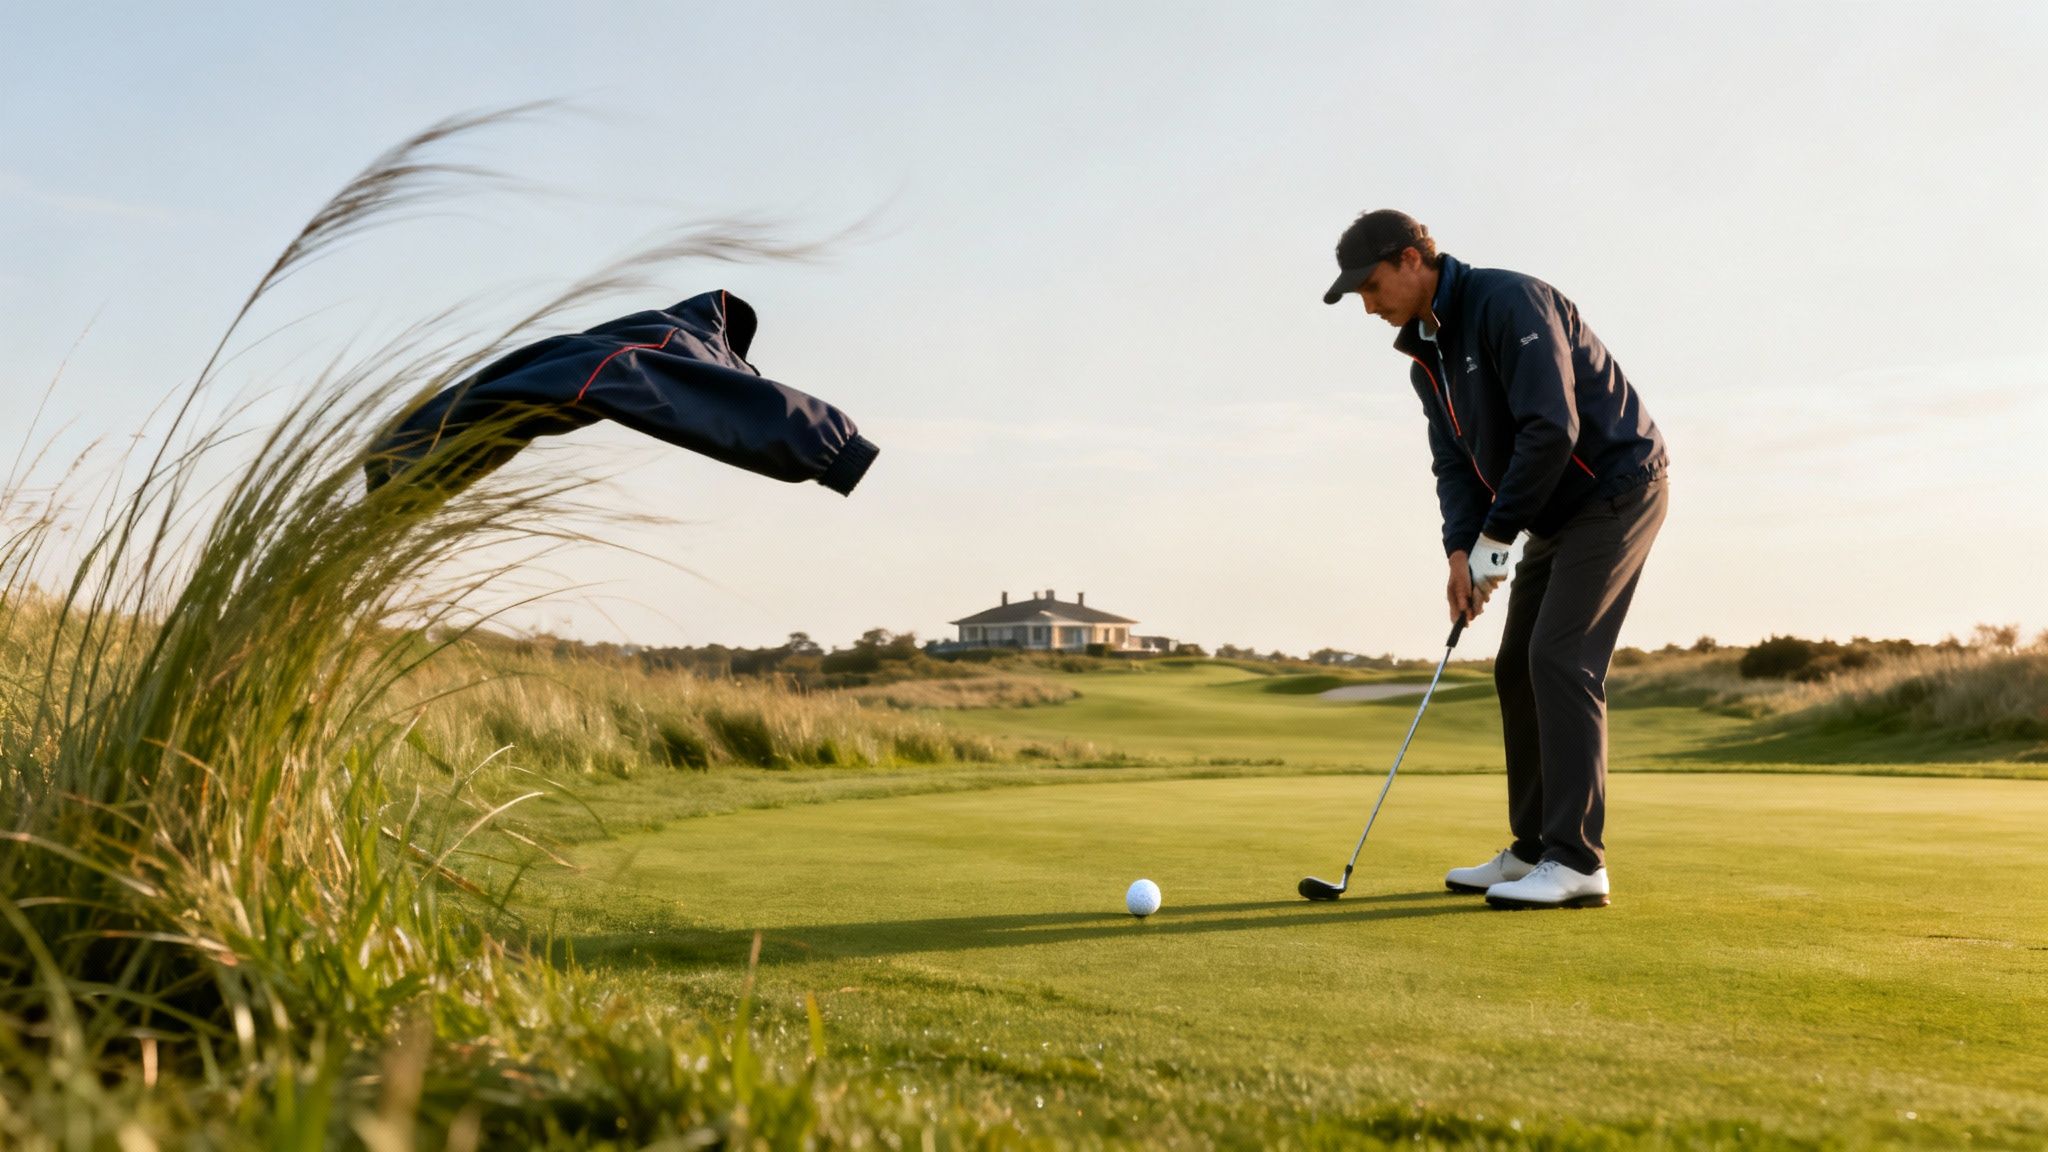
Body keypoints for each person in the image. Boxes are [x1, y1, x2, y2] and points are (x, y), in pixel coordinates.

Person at [1323, 210, 1668, 910]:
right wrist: (1461, 550)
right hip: (1553, 514)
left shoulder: (1509, 302)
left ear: (1414, 258)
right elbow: (1454, 464)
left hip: (1617, 489)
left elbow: (1553, 428)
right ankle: (1537, 847)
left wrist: (1499, 537)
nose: (1368, 303)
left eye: (1371, 284)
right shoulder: (1428, 358)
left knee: (1559, 657)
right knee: (1517, 665)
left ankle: (1578, 862)